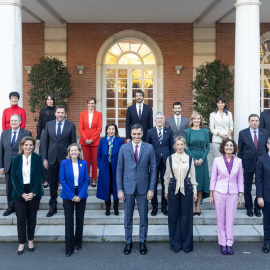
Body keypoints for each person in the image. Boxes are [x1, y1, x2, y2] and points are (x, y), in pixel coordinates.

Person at [117, 124, 156, 255]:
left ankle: (142, 242)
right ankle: (128, 242)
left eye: (138, 134)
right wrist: (119, 189)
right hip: (127, 187)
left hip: (143, 187)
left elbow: (154, 169)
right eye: (134, 134)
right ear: (130, 134)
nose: (136, 136)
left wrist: (151, 189)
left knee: (143, 216)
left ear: (142, 133)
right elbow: (119, 170)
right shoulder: (124, 147)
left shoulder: (149, 148)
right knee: (128, 216)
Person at [209, 139, 244, 255]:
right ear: (223, 147)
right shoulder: (217, 160)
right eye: (227, 145)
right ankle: (223, 243)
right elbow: (213, 178)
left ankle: (229, 243)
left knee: (230, 219)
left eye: (231, 146)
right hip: (219, 192)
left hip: (233, 193)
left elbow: (240, 180)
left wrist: (240, 195)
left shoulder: (239, 161)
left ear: (234, 148)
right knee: (220, 219)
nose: (229, 147)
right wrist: (211, 194)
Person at [41, 105, 77, 217]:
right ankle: (53, 206)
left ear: (65, 114)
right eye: (58, 112)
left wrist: (73, 160)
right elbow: (45, 142)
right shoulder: (49, 125)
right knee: (53, 185)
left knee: (68, 183)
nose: (60, 114)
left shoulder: (71, 125)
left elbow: (73, 144)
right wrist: (44, 158)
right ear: (55, 113)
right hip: (52, 159)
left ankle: (69, 206)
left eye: (62, 113)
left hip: (66, 160)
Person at [164, 136, 197, 253]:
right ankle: (175, 244)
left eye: (181, 144)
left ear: (185, 146)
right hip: (173, 187)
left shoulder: (189, 159)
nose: (179, 147)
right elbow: (166, 176)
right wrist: (166, 190)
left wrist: (195, 191)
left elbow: (193, 176)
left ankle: (187, 245)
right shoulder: (170, 159)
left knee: (187, 216)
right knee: (173, 216)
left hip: (187, 187)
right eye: (177, 144)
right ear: (174, 146)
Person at [11, 136, 44, 255]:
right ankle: (21, 243)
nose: (28, 147)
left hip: (34, 191)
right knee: (21, 219)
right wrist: (22, 194)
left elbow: (40, 176)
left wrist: (33, 192)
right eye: (26, 145)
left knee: (31, 217)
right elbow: (14, 178)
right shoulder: (15, 159)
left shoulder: (37, 158)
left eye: (31, 145)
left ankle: (30, 240)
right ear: (22, 146)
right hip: (19, 192)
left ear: (33, 146)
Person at [60, 143, 89, 257]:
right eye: (71, 151)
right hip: (68, 194)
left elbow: (86, 180)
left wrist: (80, 195)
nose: (73, 153)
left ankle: (78, 243)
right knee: (69, 220)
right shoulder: (64, 163)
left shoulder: (83, 163)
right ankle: (69, 248)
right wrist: (72, 195)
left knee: (80, 219)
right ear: (69, 152)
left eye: (75, 150)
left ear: (79, 152)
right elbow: (62, 180)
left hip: (81, 194)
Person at [238, 114, 269, 217]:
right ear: (249, 122)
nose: (254, 122)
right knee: (247, 186)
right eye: (252, 121)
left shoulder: (265, 133)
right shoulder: (242, 133)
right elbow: (239, 151)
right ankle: (249, 207)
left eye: (256, 120)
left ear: (259, 122)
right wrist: (240, 164)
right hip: (247, 163)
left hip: (262, 163)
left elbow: (266, 148)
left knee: (262, 185)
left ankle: (258, 207)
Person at [0, 114, 32, 216]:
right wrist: (1, 166)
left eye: (15, 120)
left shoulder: (26, 133)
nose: (13, 122)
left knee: (22, 186)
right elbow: (1, 151)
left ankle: (22, 207)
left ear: (20, 122)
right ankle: (11, 207)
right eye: (11, 121)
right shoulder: (4, 134)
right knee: (9, 187)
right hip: (8, 165)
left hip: (22, 165)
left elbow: (29, 149)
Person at [146, 112, 174, 216]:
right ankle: (154, 207)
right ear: (155, 120)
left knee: (165, 183)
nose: (159, 120)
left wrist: (172, 160)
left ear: (164, 120)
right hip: (153, 161)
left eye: (161, 118)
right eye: (157, 118)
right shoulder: (150, 132)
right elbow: (147, 148)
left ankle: (164, 206)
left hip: (166, 161)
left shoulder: (169, 131)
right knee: (152, 183)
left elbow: (171, 146)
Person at [184, 112, 210, 215]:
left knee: (200, 184)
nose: (196, 120)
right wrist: (194, 159)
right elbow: (186, 147)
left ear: (201, 120)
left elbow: (207, 147)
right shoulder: (187, 131)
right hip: (191, 159)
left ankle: (198, 206)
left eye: (198, 119)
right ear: (191, 120)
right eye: (194, 118)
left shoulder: (205, 131)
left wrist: (202, 159)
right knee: (191, 183)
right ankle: (191, 205)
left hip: (202, 160)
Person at [97, 123, 124, 216]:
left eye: (113, 129)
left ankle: (116, 208)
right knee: (106, 187)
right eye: (109, 129)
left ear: (115, 130)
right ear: (106, 130)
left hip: (116, 166)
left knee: (116, 186)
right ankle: (107, 208)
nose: (111, 131)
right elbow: (99, 154)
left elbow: (122, 154)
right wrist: (100, 165)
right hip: (105, 167)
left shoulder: (120, 140)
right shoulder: (102, 140)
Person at [79, 97, 102, 187]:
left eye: (92, 103)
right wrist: (85, 139)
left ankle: (94, 179)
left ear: (95, 104)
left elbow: (99, 128)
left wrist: (92, 139)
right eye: (89, 103)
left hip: (95, 141)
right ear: (87, 104)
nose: (91, 105)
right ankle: (87, 178)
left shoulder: (99, 114)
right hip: (85, 141)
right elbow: (81, 128)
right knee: (86, 160)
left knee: (95, 161)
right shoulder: (82, 114)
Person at [36, 93, 56, 188]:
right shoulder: (43, 111)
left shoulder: (57, 111)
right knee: (44, 156)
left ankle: (53, 179)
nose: (49, 101)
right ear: (45, 101)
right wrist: (38, 138)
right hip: (44, 134)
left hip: (54, 135)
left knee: (53, 156)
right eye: (47, 99)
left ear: (53, 100)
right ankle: (45, 180)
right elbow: (39, 125)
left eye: (51, 99)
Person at [256, 137, 270, 253]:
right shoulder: (261, 159)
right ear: (267, 145)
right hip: (267, 196)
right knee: (267, 220)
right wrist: (260, 196)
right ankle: (267, 242)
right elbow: (259, 180)